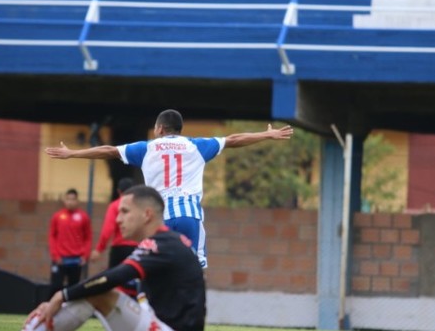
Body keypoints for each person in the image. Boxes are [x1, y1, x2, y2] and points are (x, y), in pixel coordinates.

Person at [0, 185, 206, 331]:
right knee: (99, 293)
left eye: (125, 212)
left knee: (98, 293)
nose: (118, 219)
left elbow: (115, 276)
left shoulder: (163, 244)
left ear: (147, 214)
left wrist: (62, 295)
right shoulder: (166, 242)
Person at [45, 109, 293, 268]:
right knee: (193, 268)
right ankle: (190, 313)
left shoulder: (146, 148)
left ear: (160, 128)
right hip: (188, 217)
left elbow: (108, 151)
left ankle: (152, 312)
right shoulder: (196, 146)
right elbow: (234, 140)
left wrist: (72, 154)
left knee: (152, 266)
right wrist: (266, 135)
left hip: (159, 219)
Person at [89, 177, 139, 296]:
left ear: (119, 191)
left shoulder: (116, 206)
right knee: (137, 280)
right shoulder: (139, 206)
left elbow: (108, 229)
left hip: (119, 249)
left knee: (114, 282)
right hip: (138, 248)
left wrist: (99, 249)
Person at [48, 188, 92, 293]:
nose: (70, 202)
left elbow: (88, 237)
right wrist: (55, 255)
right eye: (68, 199)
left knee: (73, 289)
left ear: (77, 201)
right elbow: (52, 236)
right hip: (60, 259)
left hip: (76, 260)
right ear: (64, 200)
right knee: (55, 287)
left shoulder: (83, 217)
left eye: (73, 199)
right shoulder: (57, 217)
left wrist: (85, 255)